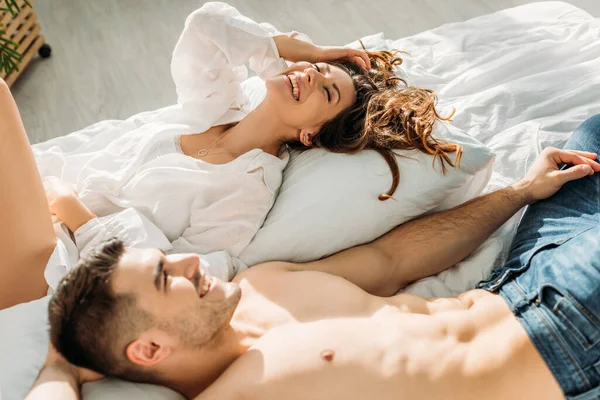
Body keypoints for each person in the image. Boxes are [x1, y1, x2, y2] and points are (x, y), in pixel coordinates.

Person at [26, 113, 600, 400]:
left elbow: (394, 259)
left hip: (526, 272)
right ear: (149, 349)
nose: (188, 261)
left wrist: (523, 192)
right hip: (563, 338)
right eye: (164, 277)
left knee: (592, 130)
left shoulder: (263, 283)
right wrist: (58, 364)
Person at [1, 2, 463, 309]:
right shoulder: (217, 108)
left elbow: (158, 275)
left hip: (51, 265)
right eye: (318, 71)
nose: (310, 76)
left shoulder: (247, 192)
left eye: (325, 92)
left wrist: (71, 209)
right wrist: (305, 49)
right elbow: (205, 25)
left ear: (309, 134)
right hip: (41, 213)